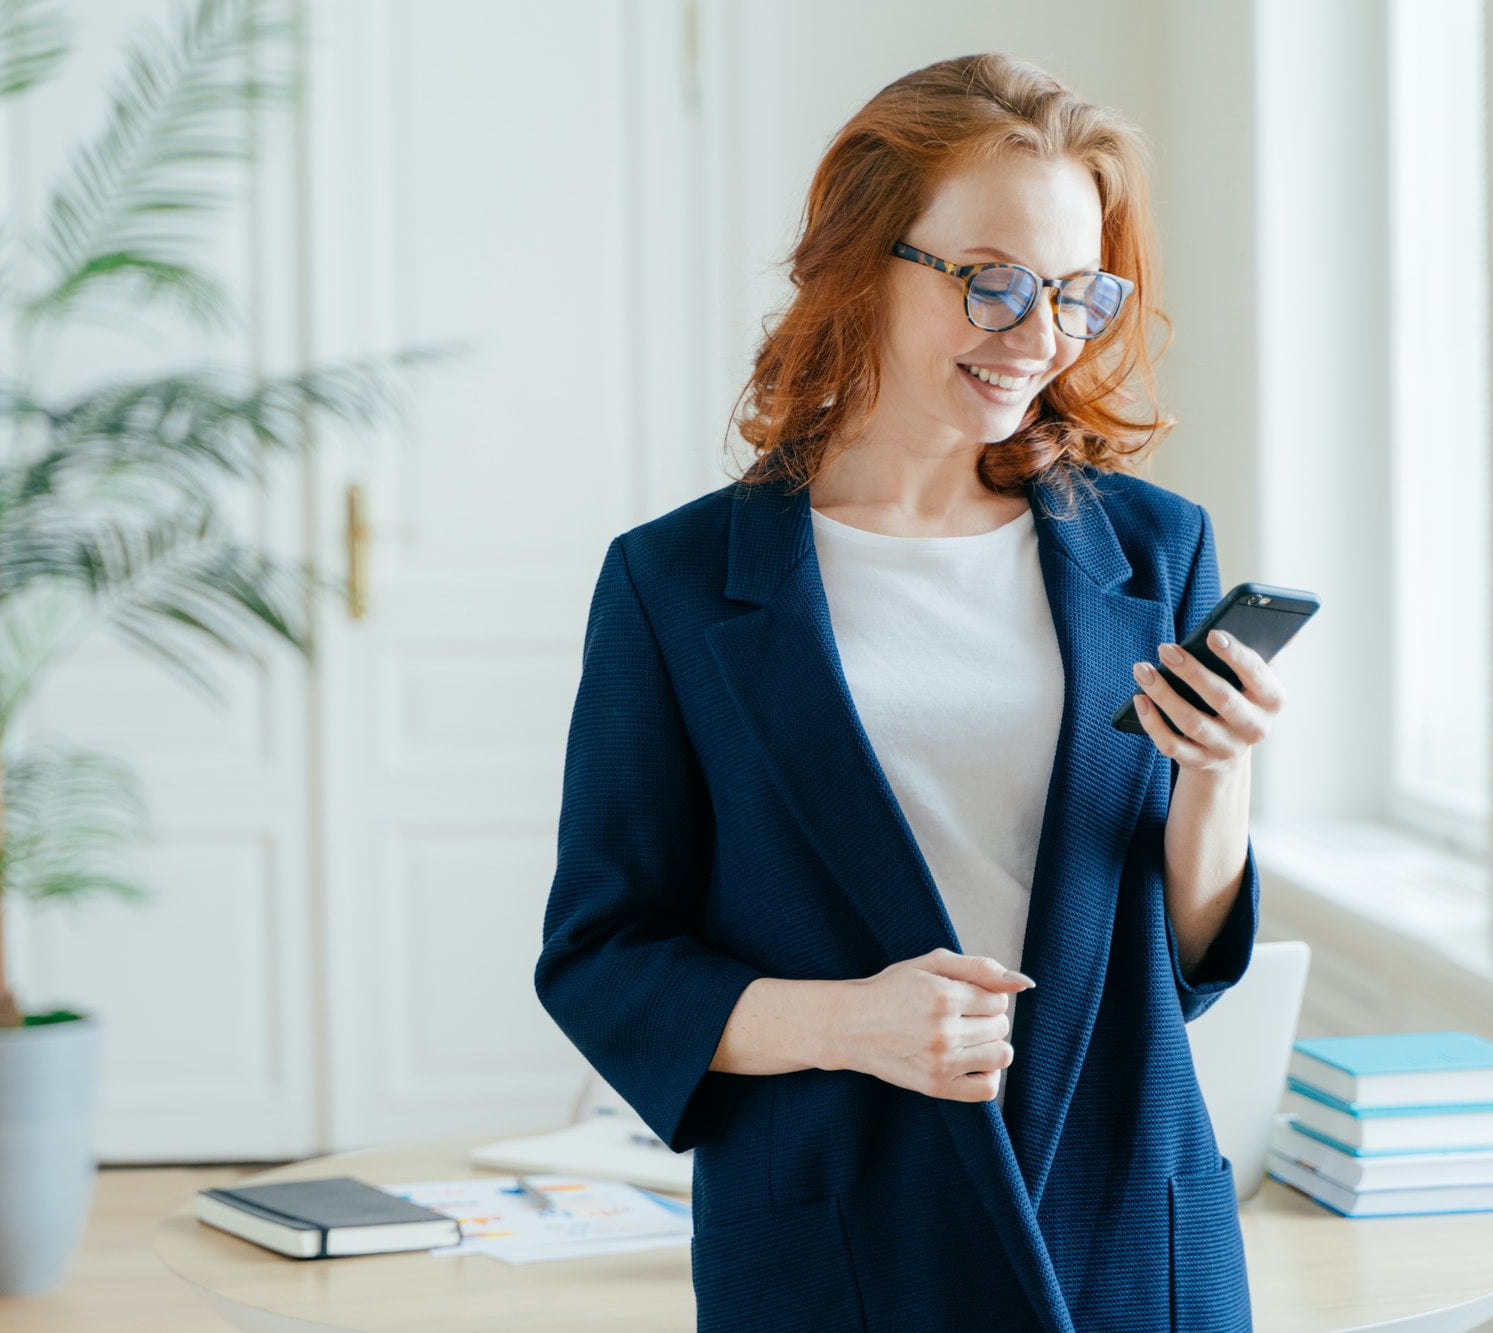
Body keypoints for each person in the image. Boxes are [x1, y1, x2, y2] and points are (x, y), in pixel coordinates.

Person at [534, 51, 1286, 1333]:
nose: (1037, 340)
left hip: (1120, 1224)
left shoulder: (1157, 551)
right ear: (861, 257)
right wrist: (852, 1023)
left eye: (1073, 294)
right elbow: (604, 959)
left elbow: (1187, 962)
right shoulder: (674, 583)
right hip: (842, 1224)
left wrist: (1216, 773)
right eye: (993, 284)